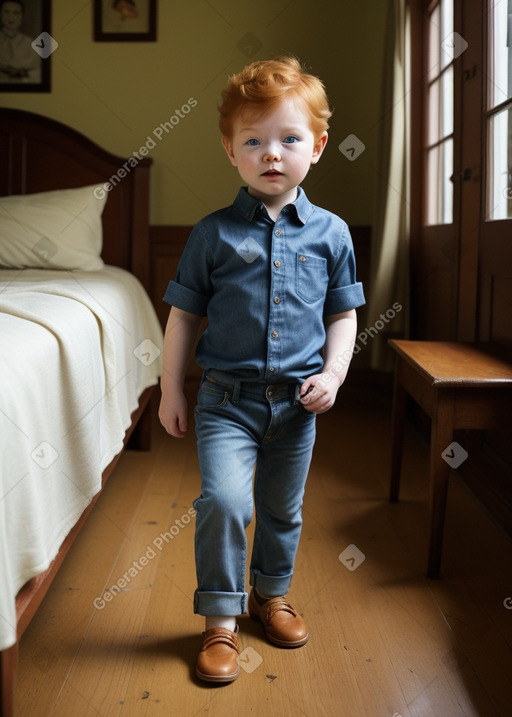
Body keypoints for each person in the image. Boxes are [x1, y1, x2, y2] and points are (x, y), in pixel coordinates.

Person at [159, 56, 365, 683]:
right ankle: (220, 619)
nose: (271, 154)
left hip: (297, 406)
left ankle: (269, 596)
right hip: (226, 400)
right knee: (222, 501)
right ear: (231, 151)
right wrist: (172, 387)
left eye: (288, 139)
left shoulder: (332, 235)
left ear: (318, 146)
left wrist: (333, 376)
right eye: (253, 141)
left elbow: (344, 316)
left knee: (282, 508)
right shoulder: (212, 235)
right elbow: (182, 317)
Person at [0, 0, 40, 84]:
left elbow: (38, 73)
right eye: (6, 12)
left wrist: (22, 72)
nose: (11, 17)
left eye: (16, 13)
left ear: (22, 17)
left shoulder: (31, 43)